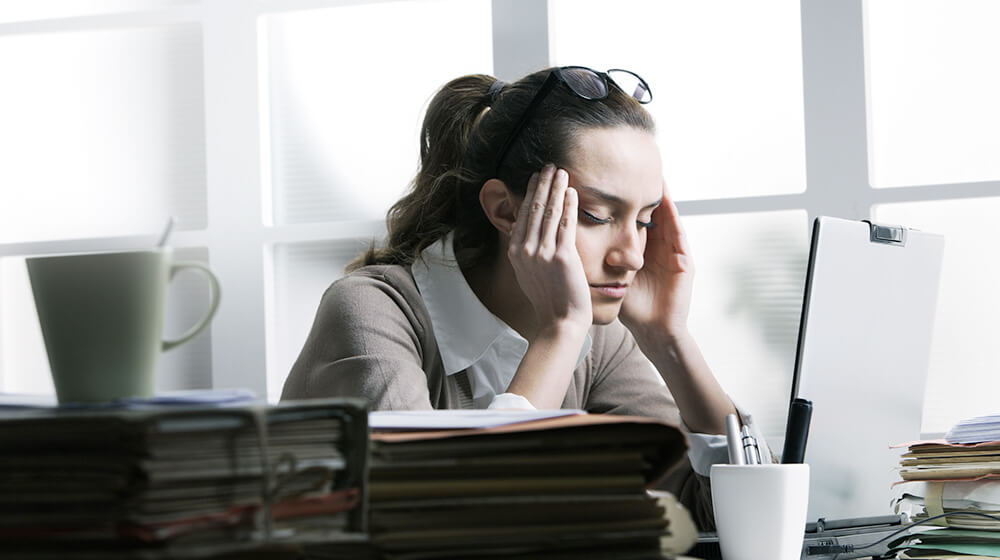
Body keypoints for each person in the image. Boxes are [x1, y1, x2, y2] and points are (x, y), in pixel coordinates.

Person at [281, 66, 771, 528]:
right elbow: (439, 522)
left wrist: (670, 341)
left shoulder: (599, 343)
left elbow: (745, 520)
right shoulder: (372, 312)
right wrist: (560, 331)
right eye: (598, 216)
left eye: (644, 221)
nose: (633, 256)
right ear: (505, 210)